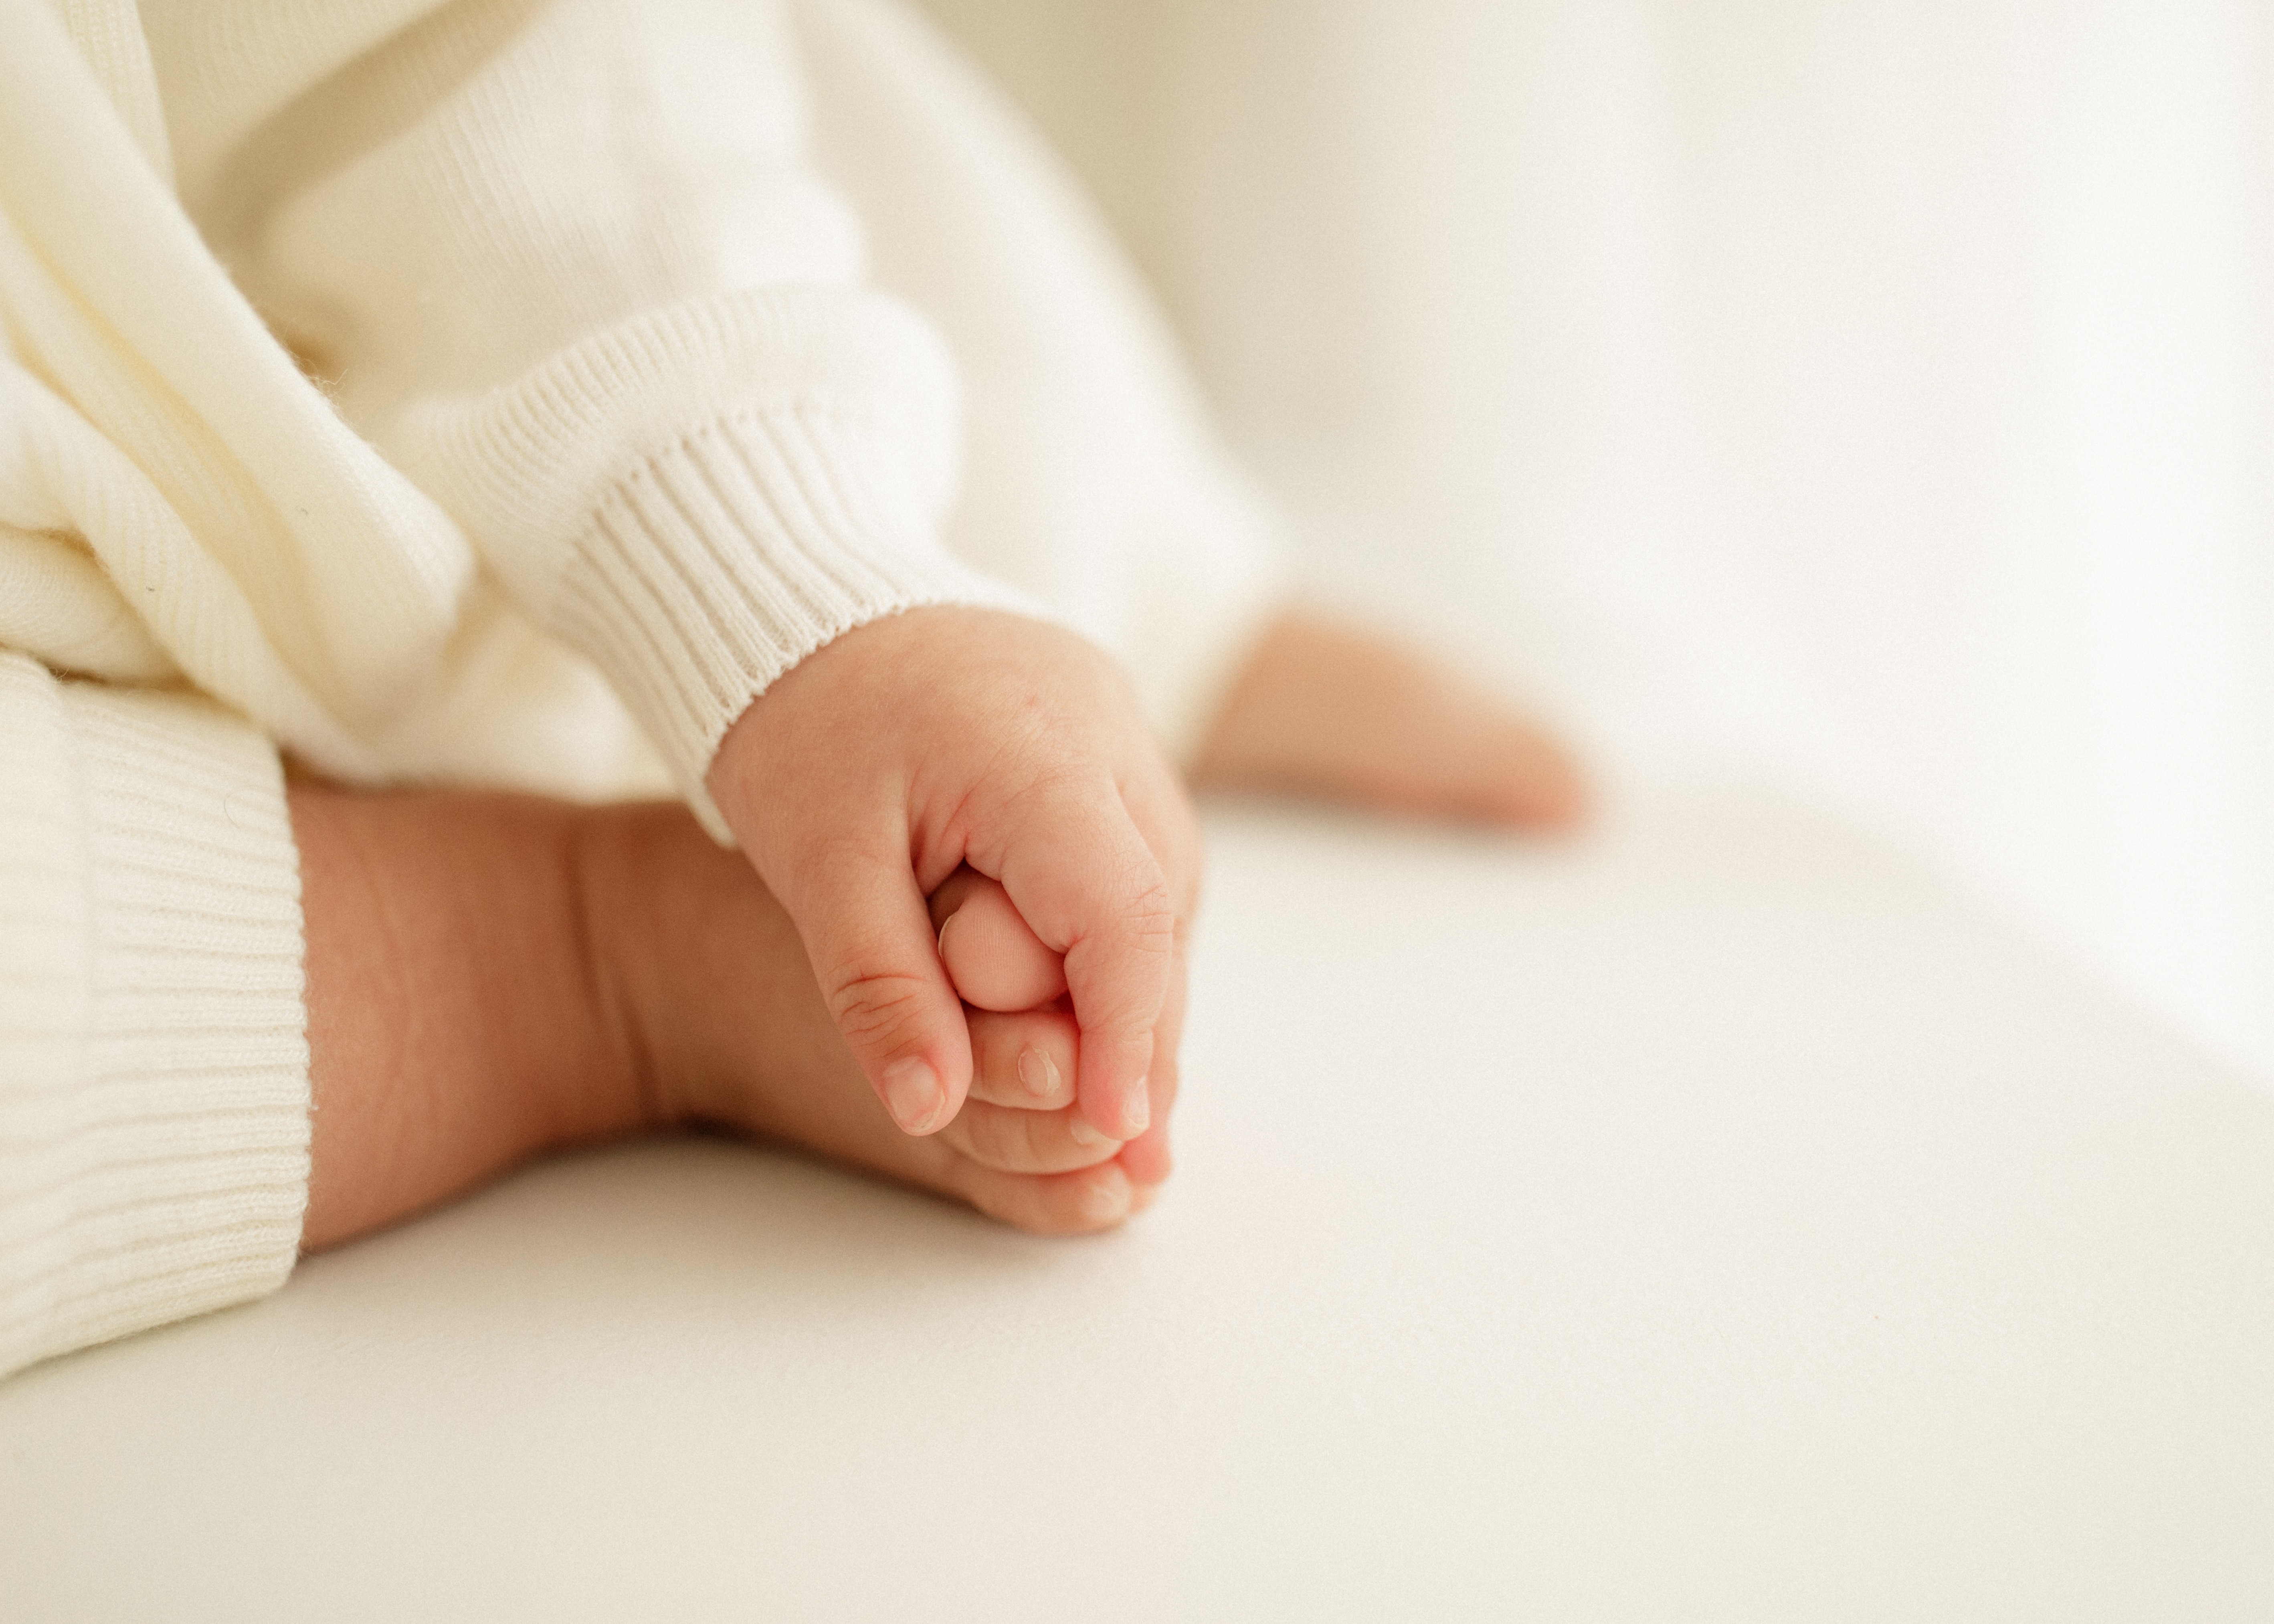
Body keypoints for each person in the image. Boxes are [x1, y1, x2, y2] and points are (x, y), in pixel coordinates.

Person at [0, 0, 1582, 1380]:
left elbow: (451, 49)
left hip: (247, 308)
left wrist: (811, 582)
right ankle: (587, 950)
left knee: (829, 227)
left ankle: (1158, 604)